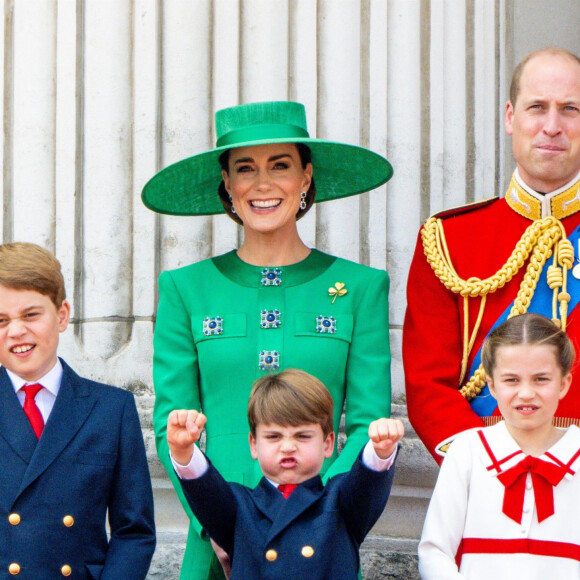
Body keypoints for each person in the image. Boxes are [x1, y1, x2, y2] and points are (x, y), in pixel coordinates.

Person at [142, 100, 394, 578]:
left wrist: (325, 516)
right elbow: (170, 422)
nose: (262, 184)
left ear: (306, 177)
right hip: (217, 534)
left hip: (321, 536)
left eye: (280, 165)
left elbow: (368, 423)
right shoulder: (184, 288)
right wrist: (214, 523)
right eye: (245, 169)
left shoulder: (360, 288)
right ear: (228, 185)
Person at [403, 47, 580, 464]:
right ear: (510, 116)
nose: (552, 126)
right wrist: (488, 465)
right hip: (482, 480)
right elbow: (428, 384)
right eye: (537, 107)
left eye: (570, 109)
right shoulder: (448, 239)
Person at [0, 242, 156, 578]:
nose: (16, 331)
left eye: (30, 315)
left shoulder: (111, 410)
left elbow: (134, 532)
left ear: (61, 316)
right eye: (1, 320)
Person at [167, 369, 403, 580]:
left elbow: (367, 482)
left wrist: (380, 449)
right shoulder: (240, 506)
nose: (288, 446)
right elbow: (205, 489)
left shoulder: (341, 501)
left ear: (328, 444)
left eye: (302, 436)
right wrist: (183, 450)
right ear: (253, 445)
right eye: (273, 437)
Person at [418, 313, 580, 579]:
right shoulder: (467, 451)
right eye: (511, 380)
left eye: (541, 379)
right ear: (491, 385)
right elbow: (434, 551)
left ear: (564, 384)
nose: (526, 393)